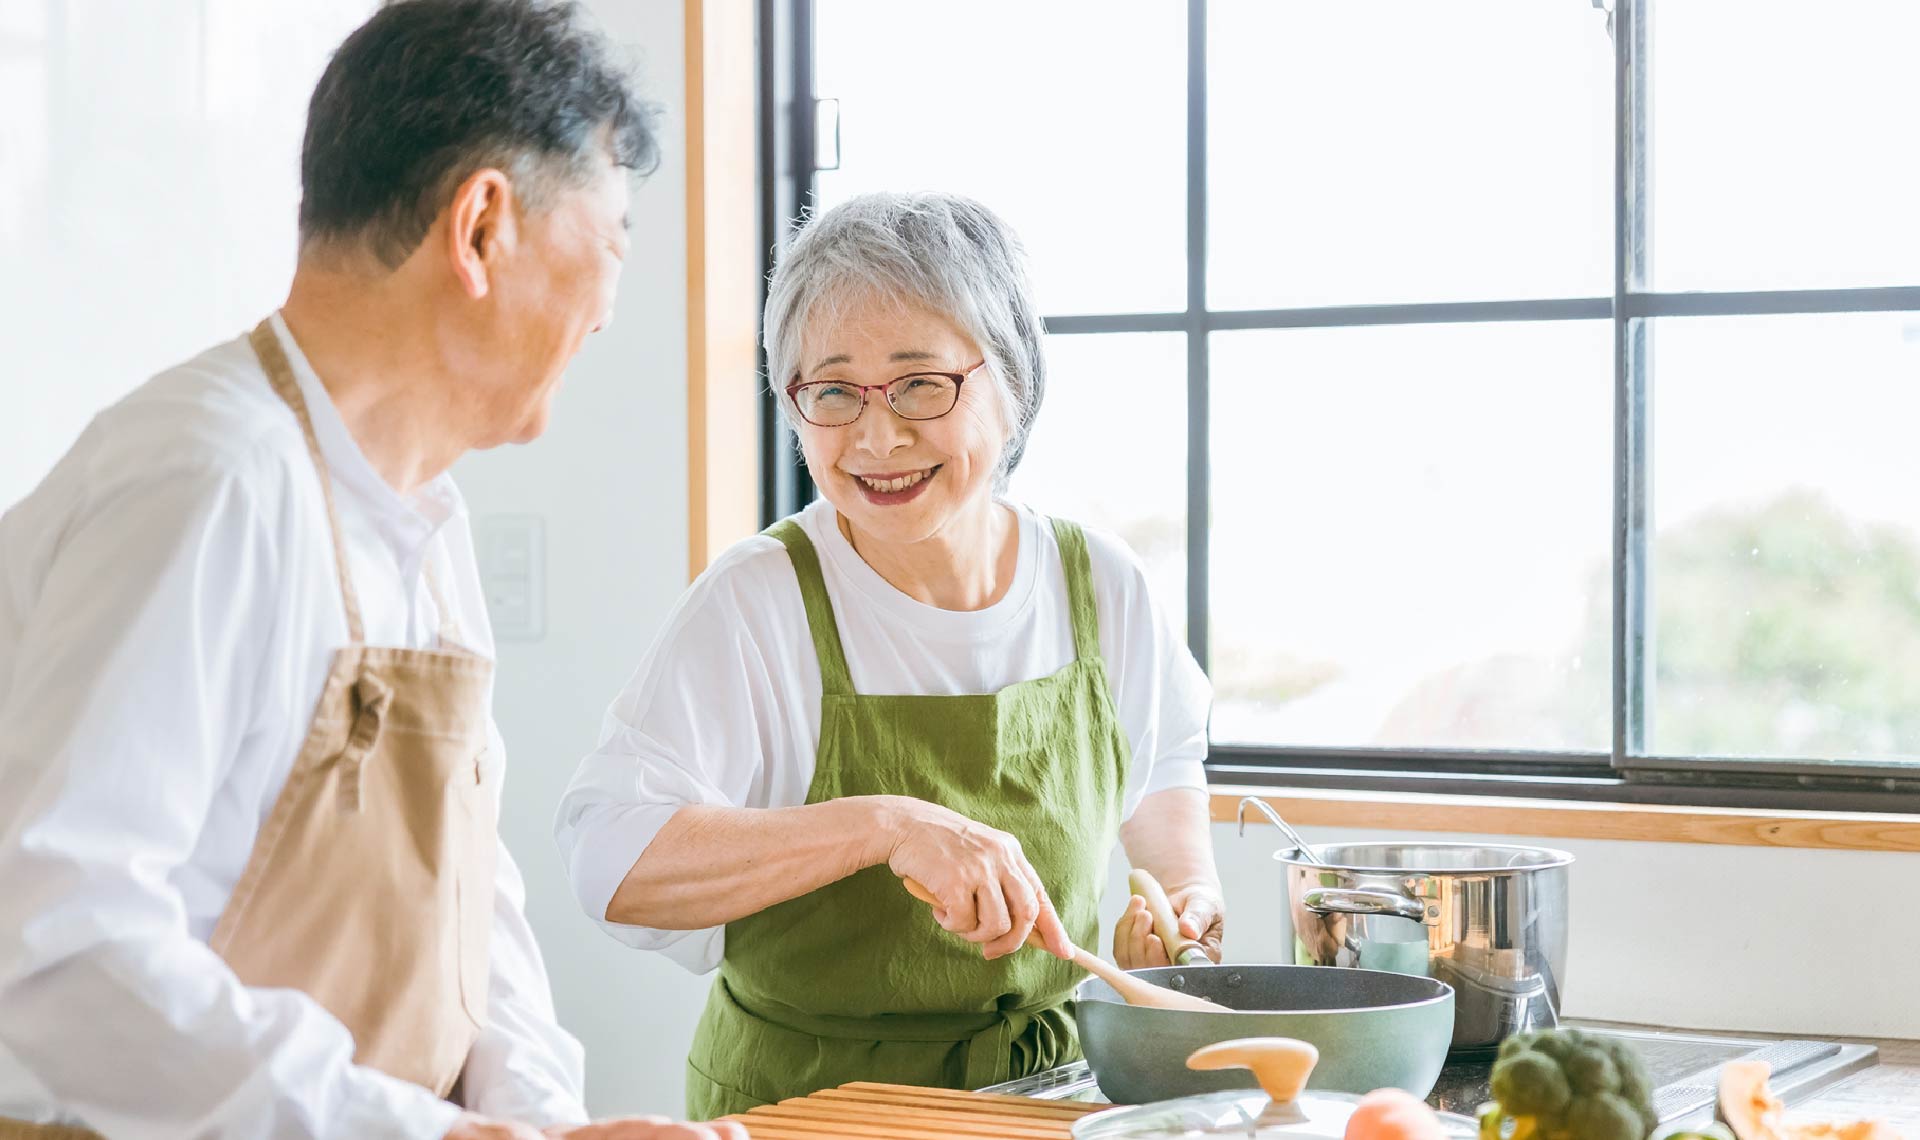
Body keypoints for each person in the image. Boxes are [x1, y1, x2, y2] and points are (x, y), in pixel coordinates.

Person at [0, 3, 739, 1137]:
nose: (610, 304)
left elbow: (470, 921)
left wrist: (541, 1127)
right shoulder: (210, 481)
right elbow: (60, 948)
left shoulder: (424, 521)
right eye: (617, 233)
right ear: (483, 227)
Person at [556, 191, 1222, 1118]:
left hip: (1050, 1095)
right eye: (831, 391)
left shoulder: (1100, 584)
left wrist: (1183, 906)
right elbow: (609, 859)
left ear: (1014, 380)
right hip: (806, 1106)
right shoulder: (758, 602)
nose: (875, 437)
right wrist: (884, 826)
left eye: (920, 383)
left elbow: (1161, 758)